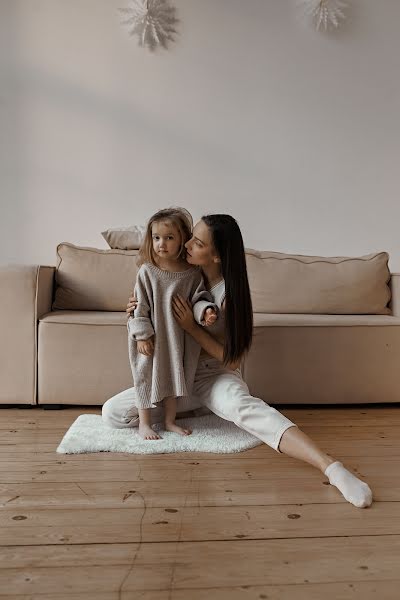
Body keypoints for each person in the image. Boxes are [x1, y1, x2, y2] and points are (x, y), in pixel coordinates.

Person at [103, 213, 373, 508]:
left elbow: (231, 360)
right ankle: (191, 410)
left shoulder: (227, 295)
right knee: (113, 413)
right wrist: (134, 310)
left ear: (215, 255)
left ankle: (331, 467)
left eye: (197, 242)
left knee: (246, 409)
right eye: (190, 237)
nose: (188, 244)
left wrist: (192, 327)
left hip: (212, 375)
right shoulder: (177, 270)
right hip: (176, 374)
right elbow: (153, 239)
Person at [127, 207, 217, 440]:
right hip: (150, 339)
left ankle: (169, 421)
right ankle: (144, 424)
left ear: (182, 241)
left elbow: (199, 298)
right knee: (145, 377)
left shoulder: (192, 274)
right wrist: (142, 335)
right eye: (156, 238)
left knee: (172, 379)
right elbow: (139, 306)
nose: (161, 244)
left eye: (169, 238)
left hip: (176, 339)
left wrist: (205, 311)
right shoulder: (147, 272)